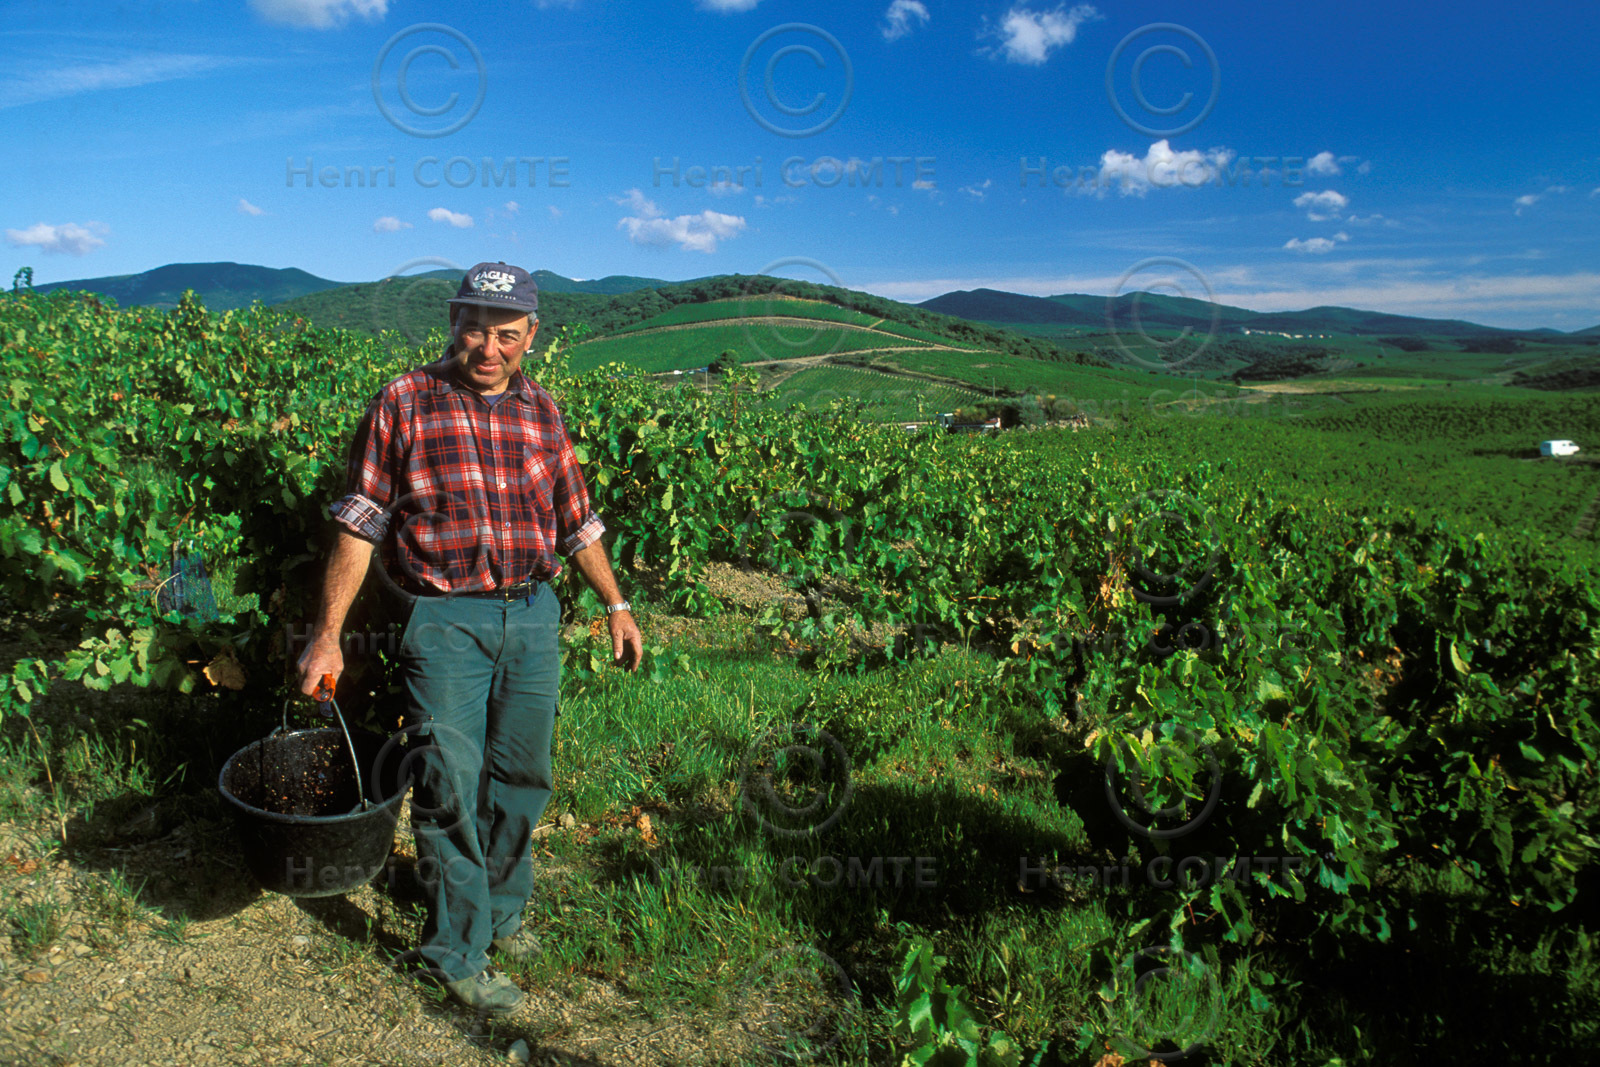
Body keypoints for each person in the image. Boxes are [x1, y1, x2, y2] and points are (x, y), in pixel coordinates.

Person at [296, 261, 643, 1016]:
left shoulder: (542, 411)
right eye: (475, 328)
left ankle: (503, 912)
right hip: (444, 618)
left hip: (532, 613)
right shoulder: (403, 402)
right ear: (453, 319)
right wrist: (327, 635)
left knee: (523, 776)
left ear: (532, 335)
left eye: (506, 333)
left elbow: (577, 520)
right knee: (449, 780)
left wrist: (614, 602)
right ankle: (455, 948)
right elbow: (361, 521)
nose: (488, 346)